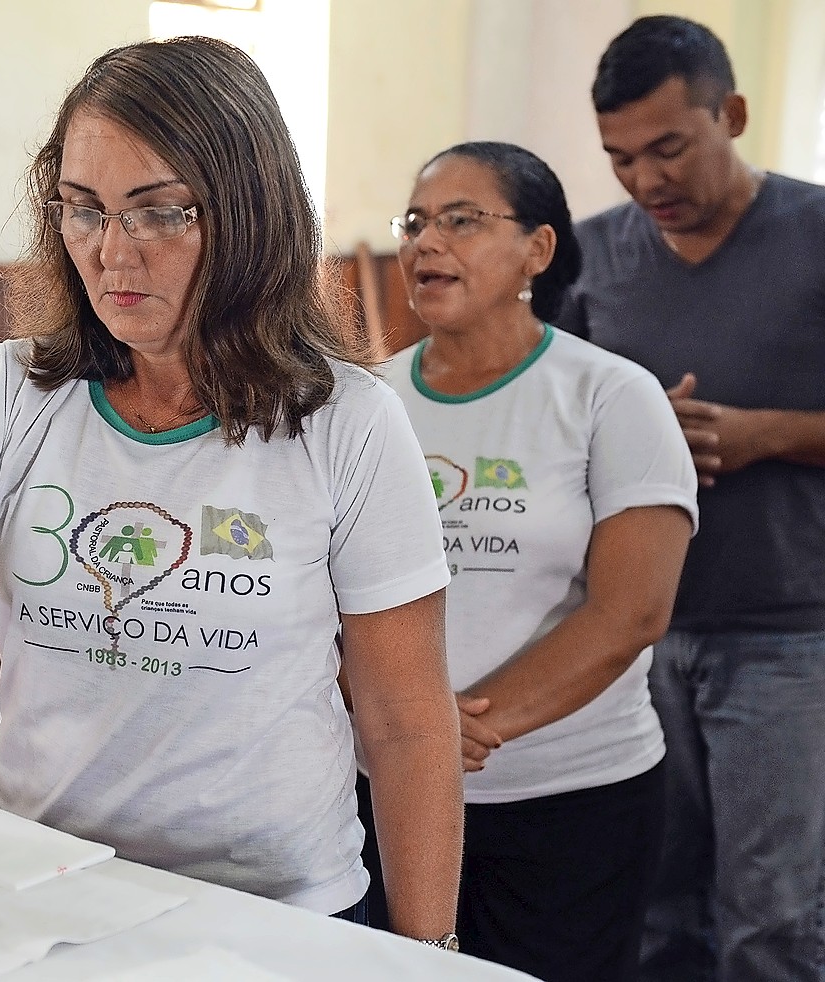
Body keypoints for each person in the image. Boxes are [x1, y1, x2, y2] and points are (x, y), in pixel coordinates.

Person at [0, 36, 463, 940]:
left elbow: (406, 723)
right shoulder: (12, 391)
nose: (111, 254)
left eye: (158, 212)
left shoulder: (346, 424)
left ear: (250, 214)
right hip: (40, 890)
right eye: (83, 210)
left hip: (276, 915)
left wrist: (431, 955)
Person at [365, 140, 697, 981]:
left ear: (537, 251)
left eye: (462, 221)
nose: (425, 242)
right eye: (415, 222)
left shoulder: (613, 396)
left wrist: (456, 729)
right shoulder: (365, 403)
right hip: (388, 797)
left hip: (570, 803)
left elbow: (631, 612)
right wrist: (414, 740)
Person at [556, 16, 825, 981]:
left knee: (777, 917)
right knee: (656, 907)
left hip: (789, 631)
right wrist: (627, 437)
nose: (646, 181)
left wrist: (765, 434)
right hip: (631, 635)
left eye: (669, 147)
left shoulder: (816, 232)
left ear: (734, 114)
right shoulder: (586, 258)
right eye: (621, 158)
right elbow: (542, 435)